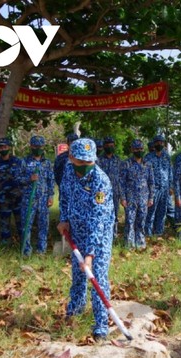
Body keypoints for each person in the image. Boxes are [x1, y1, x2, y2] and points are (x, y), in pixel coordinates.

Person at [57, 138, 115, 341]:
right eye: (80, 162)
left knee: (96, 275)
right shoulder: (67, 171)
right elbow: (63, 197)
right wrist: (63, 219)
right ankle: (75, 310)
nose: (85, 167)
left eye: (89, 163)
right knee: (78, 275)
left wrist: (90, 254)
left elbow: (98, 221)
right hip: (76, 232)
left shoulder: (101, 181)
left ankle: (101, 325)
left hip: (98, 237)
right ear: (71, 158)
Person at [19, 135, 55, 256]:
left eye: (40, 146)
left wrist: (50, 196)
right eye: (35, 146)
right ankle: (26, 251)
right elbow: (17, 179)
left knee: (43, 225)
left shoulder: (47, 163)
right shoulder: (24, 162)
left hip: (43, 199)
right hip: (28, 199)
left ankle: (41, 250)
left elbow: (51, 180)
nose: (38, 148)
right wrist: (29, 178)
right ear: (31, 146)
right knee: (26, 225)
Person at [120, 139, 154, 249]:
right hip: (130, 198)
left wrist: (151, 197)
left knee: (141, 221)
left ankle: (140, 243)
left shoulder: (147, 164)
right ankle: (129, 244)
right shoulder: (126, 164)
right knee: (130, 221)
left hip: (144, 198)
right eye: (136, 149)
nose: (138, 151)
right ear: (132, 150)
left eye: (140, 149)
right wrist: (123, 198)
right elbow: (122, 183)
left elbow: (151, 182)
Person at [0, 138, 24, 245]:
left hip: (18, 198)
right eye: (0, 147)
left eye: (5, 147)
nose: (3, 149)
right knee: (4, 223)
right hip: (3, 199)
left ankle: (23, 245)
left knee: (21, 223)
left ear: (9, 147)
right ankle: (6, 245)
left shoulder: (18, 162)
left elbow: (24, 178)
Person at [144, 134, 173, 237]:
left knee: (162, 212)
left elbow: (170, 172)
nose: (159, 144)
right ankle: (148, 233)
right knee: (150, 212)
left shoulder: (166, 156)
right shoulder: (148, 157)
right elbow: (145, 174)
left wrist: (171, 186)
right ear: (154, 143)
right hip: (153, 189)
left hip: (165, 189)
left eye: (161, 142)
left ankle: (159, 233)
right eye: (157, 142)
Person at [97, 136, 122, 236]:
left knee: (114, 213)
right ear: (103, 146)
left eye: (111, 145)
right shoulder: (98, 160)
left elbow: (121, 176)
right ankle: (102, 234)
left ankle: (113, 235)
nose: (109, 147)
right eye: (107, 145)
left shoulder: (118, 160)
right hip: (101, 192)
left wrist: (121, 192)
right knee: (100, 212)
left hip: (115, 191)